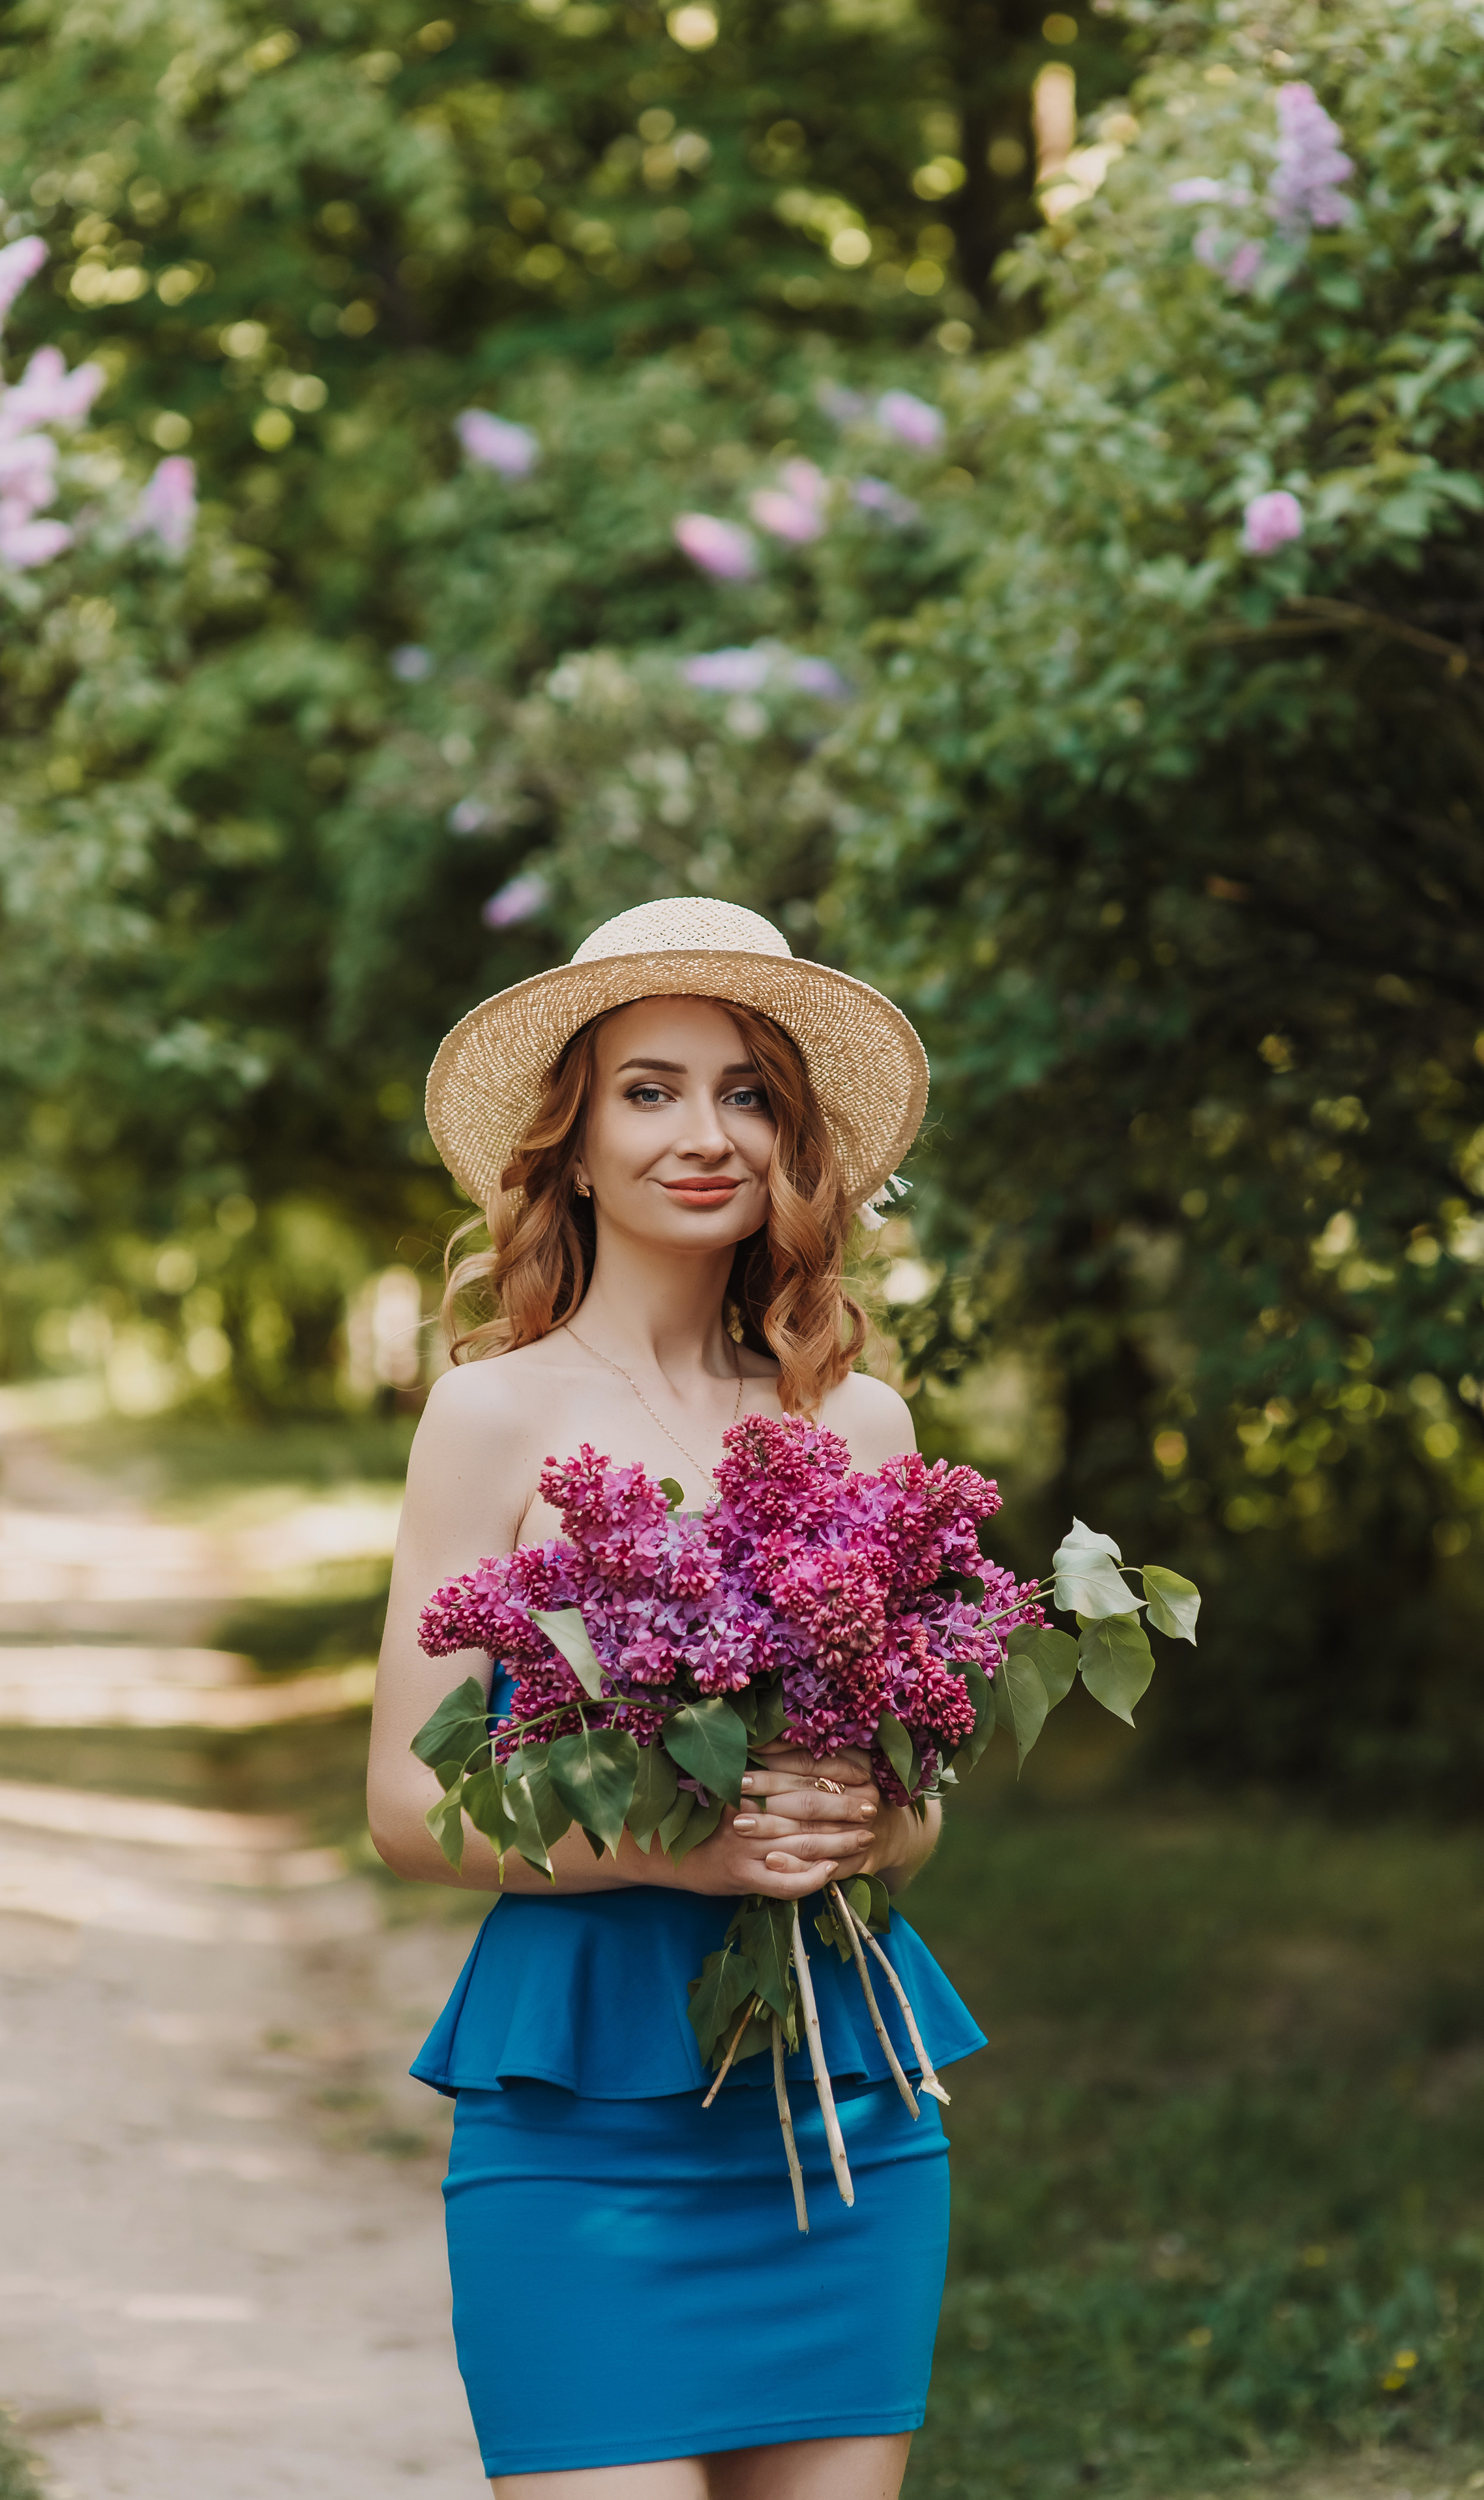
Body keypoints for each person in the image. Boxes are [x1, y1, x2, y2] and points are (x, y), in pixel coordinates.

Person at [368, 899, 986, 2500]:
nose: (702, 1134)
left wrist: (861, 1821)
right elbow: (402, 1815)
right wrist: (686, 1857)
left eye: (747, 1093)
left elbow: (910, 1809)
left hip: (838, 2104)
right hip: (580, 2120)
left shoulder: (859, 1418)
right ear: (569, 1142)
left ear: (792, 1140)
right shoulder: (489, 1420)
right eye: (648, 1089)